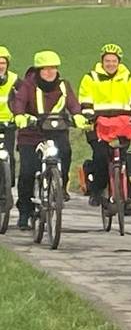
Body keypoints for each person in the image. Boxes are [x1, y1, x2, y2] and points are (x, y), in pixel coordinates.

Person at [10, 50, 86, 230]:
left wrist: (78, 116)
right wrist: (20, 116)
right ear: (38, 71)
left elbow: (74, 104)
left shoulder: (63, 86)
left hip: (56, 131)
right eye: (45, 69)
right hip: (31, 135)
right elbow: (19, 102)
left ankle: (61, 186)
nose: (50, 72)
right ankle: (25, 211)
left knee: (66, 151)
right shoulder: (28, 86)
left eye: (53, 68)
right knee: (28, 172)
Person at [78, 42, 131, 211]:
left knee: (122, 161)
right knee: (101, 157)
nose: (111, 64)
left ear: (119, 62)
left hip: (122, 126)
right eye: (107, 61)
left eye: (114, 61)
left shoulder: (129, 78)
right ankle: (96, 190)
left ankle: (124, 198)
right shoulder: (91, 78)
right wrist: (89, 115)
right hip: (98, 125)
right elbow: (85, 98)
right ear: (102, 62)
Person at [0, 45, 20, 183]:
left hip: (8, 123)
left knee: (9, 155)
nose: (0, 66)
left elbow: (25, 96)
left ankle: (9, 185)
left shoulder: (14, 79)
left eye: (3, 62)